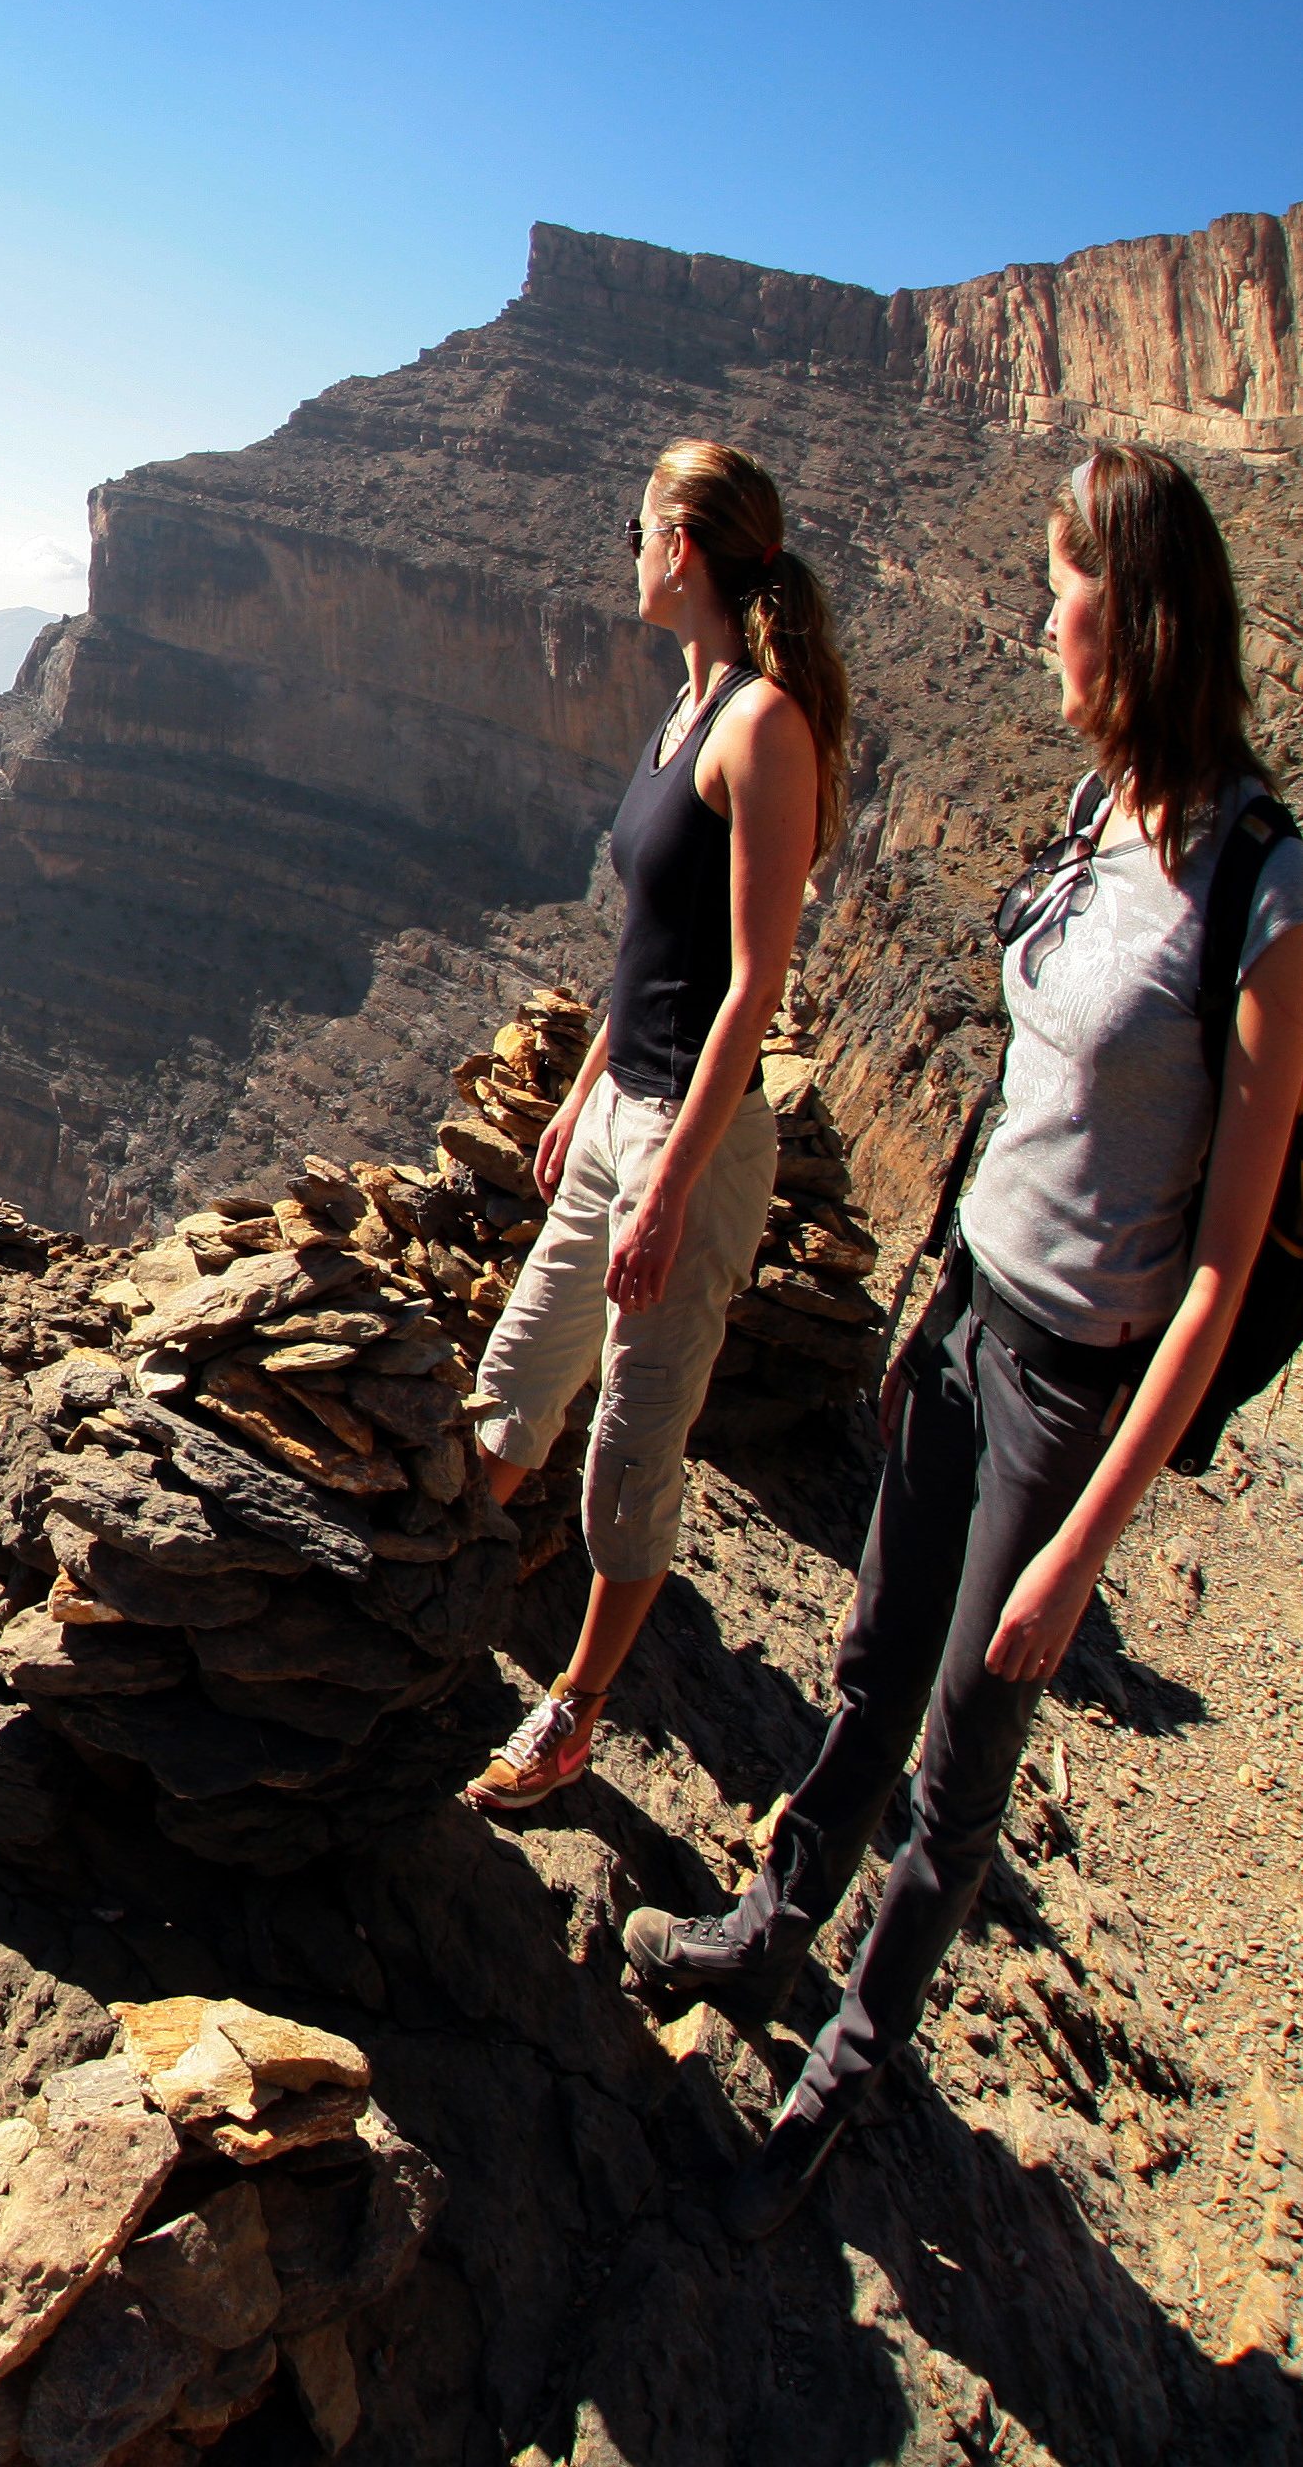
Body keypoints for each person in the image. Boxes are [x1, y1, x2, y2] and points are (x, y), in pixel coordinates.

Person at [623, 445, 1303, 2239]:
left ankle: (841, 2082)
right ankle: (766, 1942)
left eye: (1056, 588)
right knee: (864, 1660)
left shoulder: (1263, 901)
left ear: (1134, 614)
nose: (1032, 623)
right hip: (964, 1316)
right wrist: (928, 1296)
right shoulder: (1094, 817)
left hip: (1077, 1386)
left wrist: (1084, 1545)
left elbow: (1223, 1270)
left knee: (955, 1758)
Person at [460, 440, 848, 1814]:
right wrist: (577, 1095)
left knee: (631, 1441)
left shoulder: (761, 728)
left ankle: (572, 1710)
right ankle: (432, 1605)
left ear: (681, 548)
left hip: (695, 1139)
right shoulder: (678, 716)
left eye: (634, 530)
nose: (623, 551)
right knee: (516, 1376)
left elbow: (751, 982)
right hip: (618, 1112)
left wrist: (671, 1184)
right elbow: (652, 946)